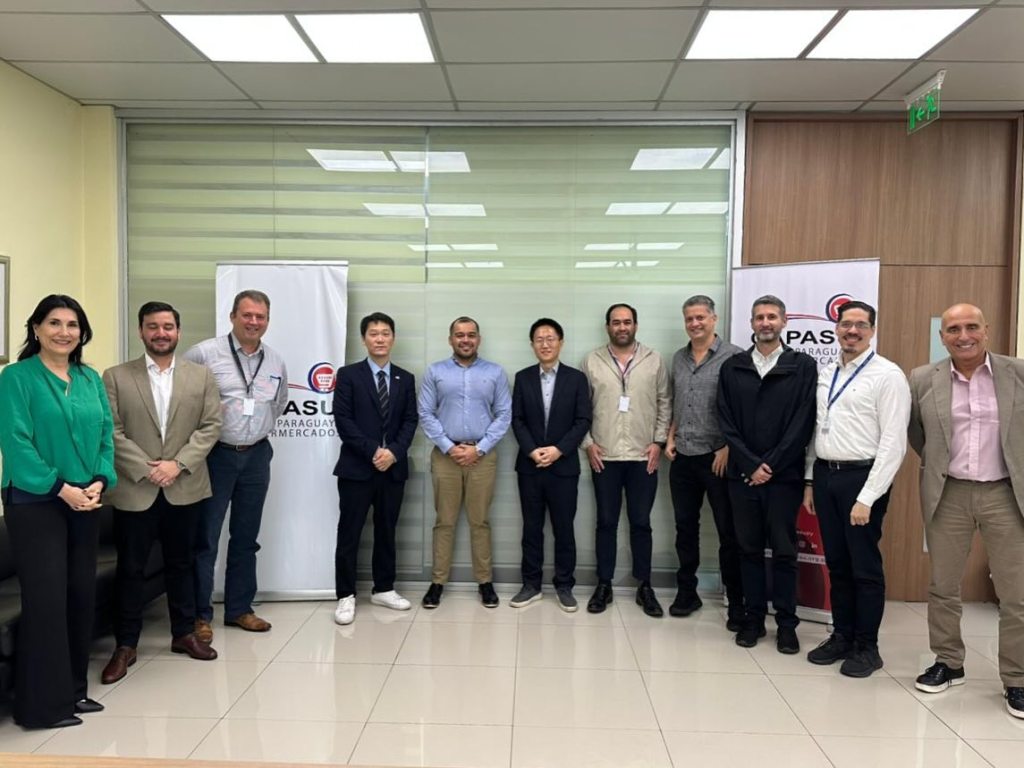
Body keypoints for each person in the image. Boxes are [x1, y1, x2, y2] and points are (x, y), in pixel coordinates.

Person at [0, 295, 116, 729]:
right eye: (54, 323)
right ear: (36, 329)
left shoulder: (88, 378)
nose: (64, 332)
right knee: (47, 601)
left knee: (79, 597)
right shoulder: (17, 377)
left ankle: (73, 692)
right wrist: (61, 488)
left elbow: (105, 435)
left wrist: (99, 480)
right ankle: (41, 709)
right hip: (36, 502)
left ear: (82, 333)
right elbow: (16, 442)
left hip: (85, 500)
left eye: (72, 325)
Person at [908, 303, 1024, 718]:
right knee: (943, 586)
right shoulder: (923, 378)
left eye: (971, 327)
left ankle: (1017, 678)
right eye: (953, 329)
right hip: (949, 493)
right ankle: (948, 662)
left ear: (986, 330)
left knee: (1016, 593)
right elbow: (918, 434)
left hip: (1006, 494)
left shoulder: (1017, 372)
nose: (963, 336)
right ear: (942, 337)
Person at [100, 302, 222, 685]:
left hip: (184, 486)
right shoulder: (116, 376)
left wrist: (177, 464)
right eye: (152, 326)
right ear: (141, 331)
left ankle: (183, 633)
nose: (161, 333)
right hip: (136, 488)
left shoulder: (201, 376)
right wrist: (148, 467)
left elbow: (211, 426)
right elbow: (111, 430)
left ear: (178, 332)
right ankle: (126, 644)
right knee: (131, 568)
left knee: (182, 564)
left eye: (168, 326)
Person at [803, 301, 910, 677]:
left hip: (862, 479)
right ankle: (842, 636)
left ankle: (867, 647)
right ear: (836, 328)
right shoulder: (827, 372)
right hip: (826, 475)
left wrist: (867, 497)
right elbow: (817, 428)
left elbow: (894, 443)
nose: (852, 331)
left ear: (872, 330)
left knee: (864, 567)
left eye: (861, 325)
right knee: (837, 563)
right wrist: (810, 480)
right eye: (846, 324)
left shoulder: (887, 375)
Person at [184, 289, 288, 642]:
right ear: (232, 317)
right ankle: (200, 615)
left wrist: (254, 429)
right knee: (206, 539)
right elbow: (181, 399)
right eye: (247, 315)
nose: (253, 322)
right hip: (216, 455)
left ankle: (240, 609)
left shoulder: (275, 361)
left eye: (260, 317)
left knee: (246, 537)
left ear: (267, 321)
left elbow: (278, 403)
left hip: (257, 455)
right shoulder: (203, 353)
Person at [717, 295, 816, 653]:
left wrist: (769, 466)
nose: (765, 323)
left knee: (785, 552)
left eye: (772, 317)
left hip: (783, 478)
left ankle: (787, 624)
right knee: (748, 550)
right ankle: (754, 619)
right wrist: (749, 465)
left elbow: (803, 422)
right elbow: (725, 420)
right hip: (743, 478)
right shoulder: (734, 366)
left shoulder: (801, 366)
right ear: (751, 323)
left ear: (784, 322)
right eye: (759, 317)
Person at [581, 303, 671, 618]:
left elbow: (664, 402)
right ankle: (604, 584)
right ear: (608, 326)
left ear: (636, 325)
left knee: (641, 523)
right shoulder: (592, 361)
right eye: (616, 322)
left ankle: (644, 585)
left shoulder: (654, 359)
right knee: (605, 522)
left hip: (642, 456)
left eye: (627, 322)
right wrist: (588, 444)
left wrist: (658, 442)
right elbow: (581, 408)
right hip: (604, 456)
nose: (622, 327)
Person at [418, 316, 512, 609]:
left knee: (479, 522)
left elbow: (504, 415)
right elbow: (425, 413)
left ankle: (485, 582)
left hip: (482, 457)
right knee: (444, 522)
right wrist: (449, 447)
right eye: (459, 335)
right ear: (451, 340)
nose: (465, 340)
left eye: (471, 334)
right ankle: (437, 582)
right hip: (445, 456)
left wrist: (479, 449)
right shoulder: (435, 371)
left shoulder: (495, 372)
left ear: (478, 339)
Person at [332, 312, 418, 625]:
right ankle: (345, 594)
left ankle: (384, 588)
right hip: (357, 468)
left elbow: (410, 420)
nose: (379, 339)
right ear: (364, 339)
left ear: (393, 338)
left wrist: (393, 453)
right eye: (373, 333)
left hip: (392, 469)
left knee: (386, 530)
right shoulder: (348, 375)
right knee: (350, 532)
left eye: (385, 333)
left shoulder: (405, 378)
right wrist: (374, 451)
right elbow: (343, 420)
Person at [665, 295, 745, 629]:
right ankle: (687, 593)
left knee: (729, 532)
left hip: (718, 458)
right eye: (689, 318)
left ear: (714, 318)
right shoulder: (678, 358)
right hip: (683, 456)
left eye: (700, 317)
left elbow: (743, 409)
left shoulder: (735, 357)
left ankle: (736, 603)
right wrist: (670, 437)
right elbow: (676, 403)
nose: (695, 323)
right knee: (685, 529)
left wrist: (729, 447)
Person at [509, 318, 592, 612]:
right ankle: (531, 585)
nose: (545, 344)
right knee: (531, 529)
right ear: (532, 345)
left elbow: (583, 420)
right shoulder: (522, 378)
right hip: (530, 467)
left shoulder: (576, 379)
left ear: (561, 342)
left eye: (550, 338)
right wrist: (532, 451)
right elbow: (517, 419)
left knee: (564, 529)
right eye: (539, 339)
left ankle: (564, 585)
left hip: (563, 467)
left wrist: (558, 450)